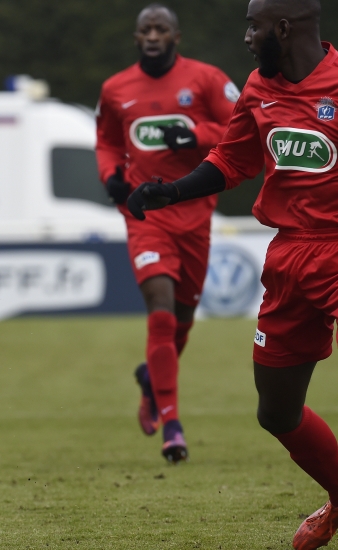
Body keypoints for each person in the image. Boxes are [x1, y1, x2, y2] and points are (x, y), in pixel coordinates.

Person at [127, 0, 338, 547]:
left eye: (255, 25)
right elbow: (231, 160)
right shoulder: (258, 87)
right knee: (276, 409)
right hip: (289, 257)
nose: (247, 36)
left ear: (283, 28)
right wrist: (170, 190)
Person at [95, 3, 238, 463]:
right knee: (160, 310)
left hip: (194, 215)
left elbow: (241, 130)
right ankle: (172, 428)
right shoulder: (116, 89)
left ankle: (151, 384)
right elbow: (107, 140)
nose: (153, 35)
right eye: (145, 30)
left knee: (181, 323)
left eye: (161, 29)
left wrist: (196, 134)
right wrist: (111, 175)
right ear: (137, 38)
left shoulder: (208, 80)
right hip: (146, 216)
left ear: (176, 37)